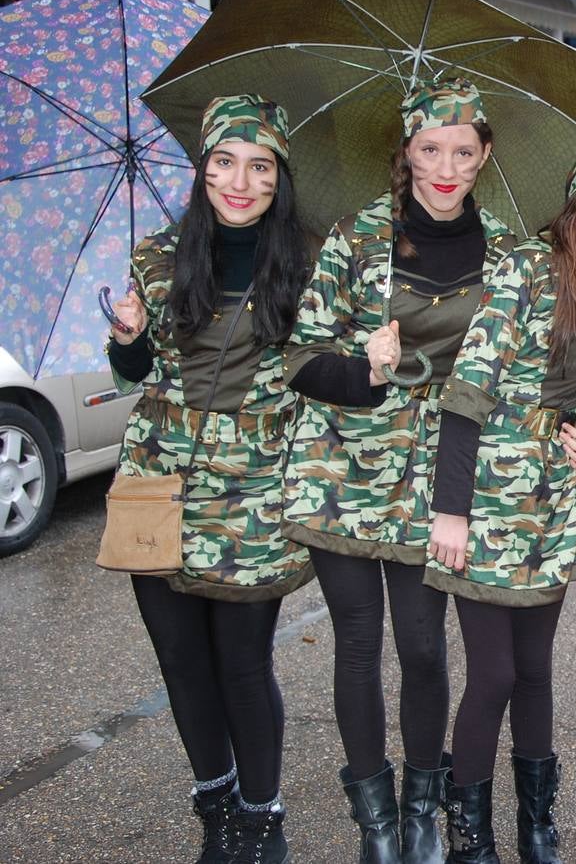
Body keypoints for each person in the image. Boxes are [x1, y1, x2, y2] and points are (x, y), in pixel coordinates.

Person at [281, 77, 518, 863]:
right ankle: (377, 826)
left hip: (440, 478)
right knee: (357, 643)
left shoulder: (507, 249)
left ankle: (423, 806)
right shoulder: (358, 237)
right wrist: (368, 367)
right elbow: (299, 359)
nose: (444, 167)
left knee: (421, 648)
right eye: (429, 150)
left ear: (484, 155)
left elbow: (523, 368)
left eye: (461, 150)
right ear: (406, 154)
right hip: (343, 470)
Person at [426, 143, 576, 863]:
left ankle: (535, 825)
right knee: (492, 673)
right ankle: (468, 835)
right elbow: (467, 391)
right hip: (489, 491)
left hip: (554, 502)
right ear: (572, 205)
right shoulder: (529, 269)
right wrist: (449, 512)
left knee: (535, 670)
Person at [107, 94, 312, 864]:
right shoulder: (159, 256)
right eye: (224, 162)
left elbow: (323, 371)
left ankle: (264, 820)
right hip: (156, 481)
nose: (240, 180)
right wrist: (128, 339)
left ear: (278, 179)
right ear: (201, 169)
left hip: (250, 491)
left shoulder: (305, 261)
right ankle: (217, 812)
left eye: (260, 167)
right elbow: (139, 371)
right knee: (179, 659)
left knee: (241, 661)